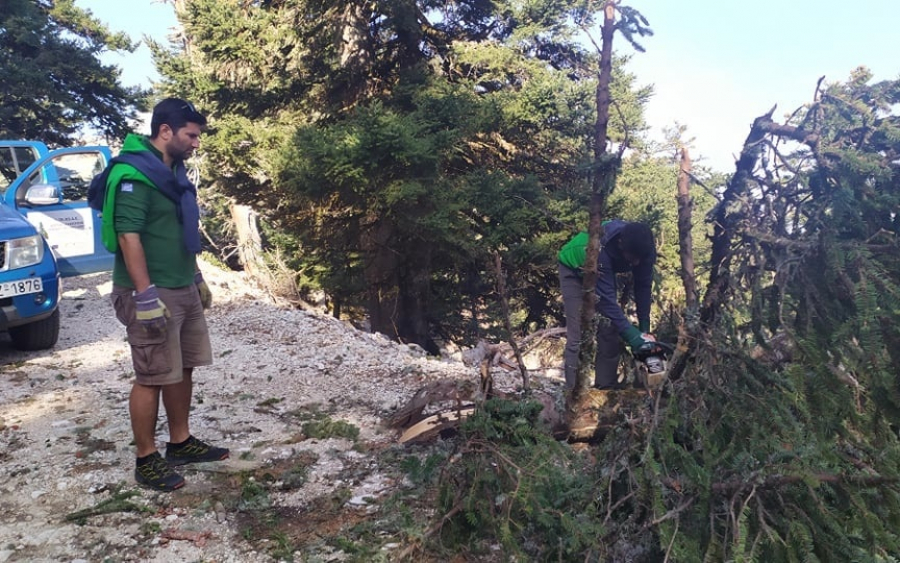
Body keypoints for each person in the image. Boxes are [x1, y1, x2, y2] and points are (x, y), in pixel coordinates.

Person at [105, 98, 228, 491]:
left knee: (183, 366)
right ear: (165, 131)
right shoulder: (133, 174)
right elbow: (128, 235)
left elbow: (179, 230)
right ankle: (146, 459)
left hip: (182, 287)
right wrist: (144, 296)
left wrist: (196, 277)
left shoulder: (172, 172)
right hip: (150, 293)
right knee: (152, 375)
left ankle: (180, 442)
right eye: (191, 135)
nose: (196, 143)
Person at [558, 220, 657, 390]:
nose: (635, 264)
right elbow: (607, 301)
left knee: (610, 328)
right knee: (577, 334)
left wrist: (644, 330)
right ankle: (572, 393)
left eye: (639, 259)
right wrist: (633, 337)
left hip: (603, 269)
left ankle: (606, 387)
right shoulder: (602, 248)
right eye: (632, 258)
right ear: (621, 246)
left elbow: (643, 287)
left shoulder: (644, 249)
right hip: (573, 269)